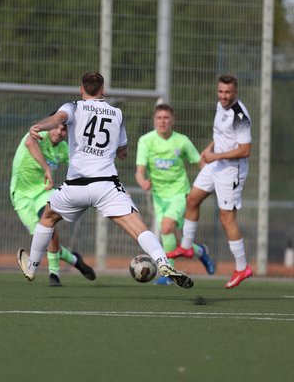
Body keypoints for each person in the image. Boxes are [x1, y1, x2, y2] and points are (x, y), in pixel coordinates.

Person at [16, 72, 194, 289]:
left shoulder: (74, 107)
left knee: (47, 218)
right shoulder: (117, 113)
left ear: (82, 90)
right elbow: (123, 151)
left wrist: (38, 127)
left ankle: (32, 267)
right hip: (106, 186)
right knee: (138, 228)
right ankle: (163, 263)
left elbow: (57, 120)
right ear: (103, 90)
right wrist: (119, 151)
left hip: (76, 186)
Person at [167, 74, 252, 289]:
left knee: (227, 219)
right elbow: (222, 134)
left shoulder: (240, 116)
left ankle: (242, 268)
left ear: (236, 92)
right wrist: (209, 149)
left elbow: (245, 150)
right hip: (216, 164)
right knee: (192, 200)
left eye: (228, 93)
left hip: (232, 171)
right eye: (220, 92)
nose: (223, 96)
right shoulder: (220, 106)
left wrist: (217, 156)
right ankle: (187, 246)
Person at [135, 103, 216, 285]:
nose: (163, 121)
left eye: (166, 118)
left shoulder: (182, 141)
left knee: (166, 227)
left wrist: (212, 180)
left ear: (172, 120)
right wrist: (143, 182)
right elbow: (139, 171)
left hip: (180, 193)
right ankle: (201, 251)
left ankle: (168, 274)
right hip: (159, 196)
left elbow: (200, 164)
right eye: (159, 118)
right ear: (154, 121)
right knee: (171, 236)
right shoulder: (146, 141)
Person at [10, 117, 95, 287]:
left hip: (44, 191)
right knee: (42, 241)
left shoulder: (64, 149)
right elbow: (29, 143)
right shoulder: (38, 135)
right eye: (56, 128)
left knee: (49, 224)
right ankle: (74, 260)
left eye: (63, 130)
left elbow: (82, 170)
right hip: (21, 195)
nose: (59, 132)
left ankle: (54, 274)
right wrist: (46, 168)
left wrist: (110, 185)